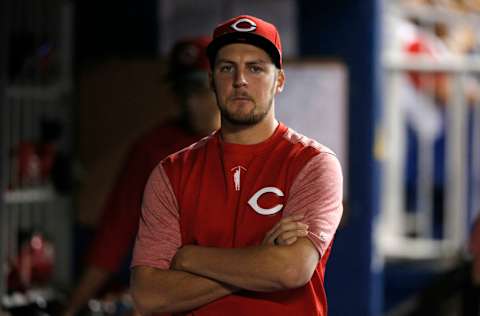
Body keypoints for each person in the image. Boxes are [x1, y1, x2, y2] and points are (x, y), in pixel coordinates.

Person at [130, 15, 343, 315]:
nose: (240, 79)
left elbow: (290, 270)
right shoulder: (172, 172)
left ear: (279, 80)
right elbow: (148, 296)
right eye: (227, 68)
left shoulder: (313, 164)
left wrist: (190, 258)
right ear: (212, 80)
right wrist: (260, 261)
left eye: (255, 68)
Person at [61, 36, 220, 316]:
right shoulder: (154, 148)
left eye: (200, 90)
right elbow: (115, 231)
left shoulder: (259, 146)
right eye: (183, 92)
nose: (191, 103)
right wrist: (72, 307)